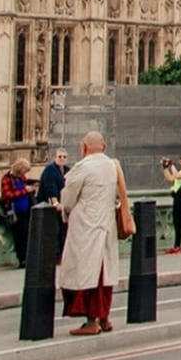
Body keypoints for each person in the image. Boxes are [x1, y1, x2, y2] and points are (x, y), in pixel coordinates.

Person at [58, 131, 120, 335]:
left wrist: (65, 211)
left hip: (86, 227)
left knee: (86, 274)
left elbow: (68, 199)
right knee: (104, 273)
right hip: (107, 225)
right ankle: (104, 318)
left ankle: (91, 321)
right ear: (103, 147)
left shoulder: (82, 167)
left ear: (84, 147)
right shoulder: (112, 166)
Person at [0, 157, 38, 268]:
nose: (24, 174)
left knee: (27, 235)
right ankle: (21, 259)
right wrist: (25, 190)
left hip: (26, 211)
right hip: (15, 212)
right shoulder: (6, 179)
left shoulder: (21, 178)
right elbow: (8, 195)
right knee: (19, 236)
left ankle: (27, 258)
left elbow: (26, 182)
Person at [37, 147, 70, 262]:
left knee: (63, 231)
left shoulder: (67, 170)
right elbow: (50, 188)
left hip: (63, 205)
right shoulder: (50, 170)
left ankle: (62, 253)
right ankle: (55, 255)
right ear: (54, 158)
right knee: (54, 231)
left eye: (64, 157)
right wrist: (56, 203)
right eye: (59, 157)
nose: (62, 159)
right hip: (49, 206)